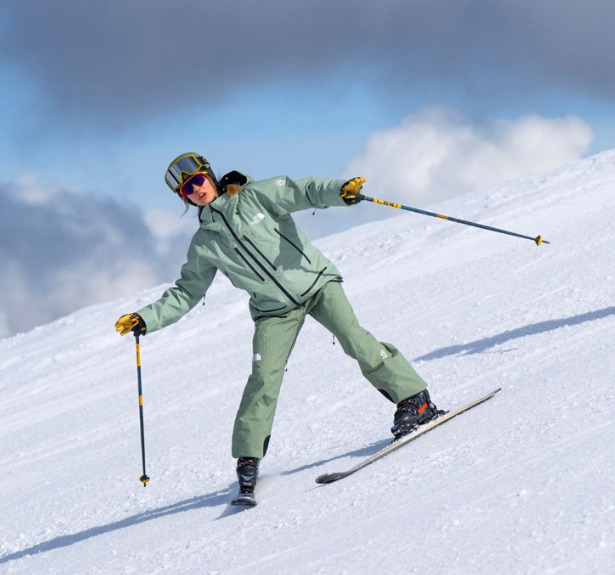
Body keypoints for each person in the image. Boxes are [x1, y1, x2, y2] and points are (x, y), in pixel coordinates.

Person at [114, 153, 438, 502]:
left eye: (197, 182)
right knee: (263, 377)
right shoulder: (204, 243)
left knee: (353, 338)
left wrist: (339, 191)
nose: (195, 191)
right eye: (187, 190)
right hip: (273, 311)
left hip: (316, 283)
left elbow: (303, 192)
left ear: (209, 177)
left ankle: (415, 401)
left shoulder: (254, 195)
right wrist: (147, 318)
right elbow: (186, 291)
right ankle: (248, 459)